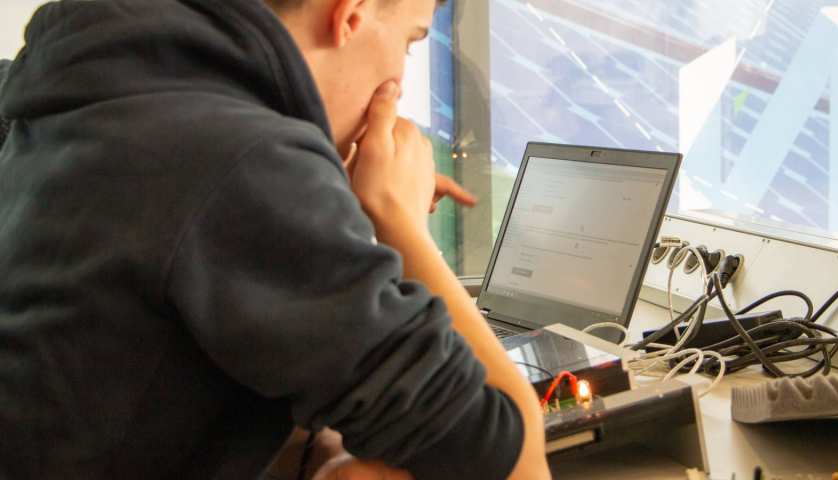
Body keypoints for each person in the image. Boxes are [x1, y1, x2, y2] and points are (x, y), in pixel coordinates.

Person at [0, 0, 549, 479]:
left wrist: (312, 454)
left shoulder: (107, 93)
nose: (399, 85)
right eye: (409, 42)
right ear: (350, 14)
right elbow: (511, 459)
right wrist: (395, 215)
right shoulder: (243, 156)